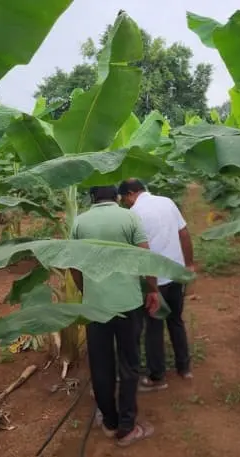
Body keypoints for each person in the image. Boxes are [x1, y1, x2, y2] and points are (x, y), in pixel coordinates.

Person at [70, 185, 160, 447]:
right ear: (117, 197)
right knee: (129, 364)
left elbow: (74, 265)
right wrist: (152, 289)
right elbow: (145, 258)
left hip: (95, 306)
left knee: (100, 365)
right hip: (128, 303)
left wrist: (87, 291)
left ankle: (109, 422)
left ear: (92, 198)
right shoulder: (129, 217)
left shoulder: (80, 222)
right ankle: (127, 427)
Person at [117, 178, 196, 391]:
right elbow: (184, 233)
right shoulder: (167, 202)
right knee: (176, 321)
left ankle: (157, 376)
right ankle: (184, 368)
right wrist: (189, 264)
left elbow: (139, 251)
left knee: (154, 327)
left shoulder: (133, 214)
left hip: (156, 280)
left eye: (124, 199)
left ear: (130, 193)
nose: (125, 203)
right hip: (177, 273)